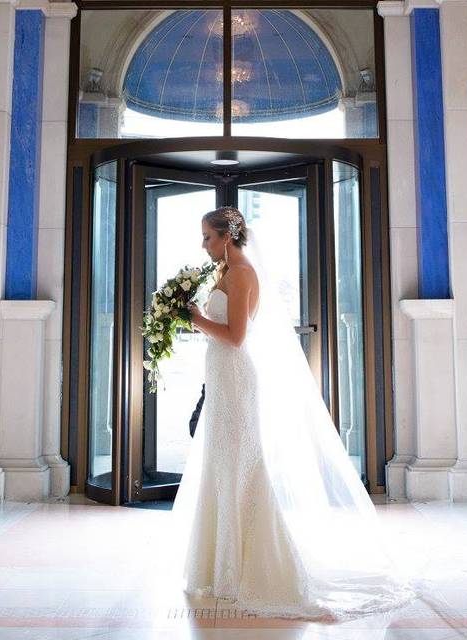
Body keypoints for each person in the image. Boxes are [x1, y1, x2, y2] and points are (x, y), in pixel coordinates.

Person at [172, 205, 414, 620]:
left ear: (226, 237)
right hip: (221, 378)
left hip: (235, 377)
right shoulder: (225, 274)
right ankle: (219, 566)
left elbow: (235, 336)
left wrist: (194, 319)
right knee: (221, 466)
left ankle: (256, 569)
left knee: (241, 466)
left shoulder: (243, 273)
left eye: (208, 237)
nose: (204, 245)